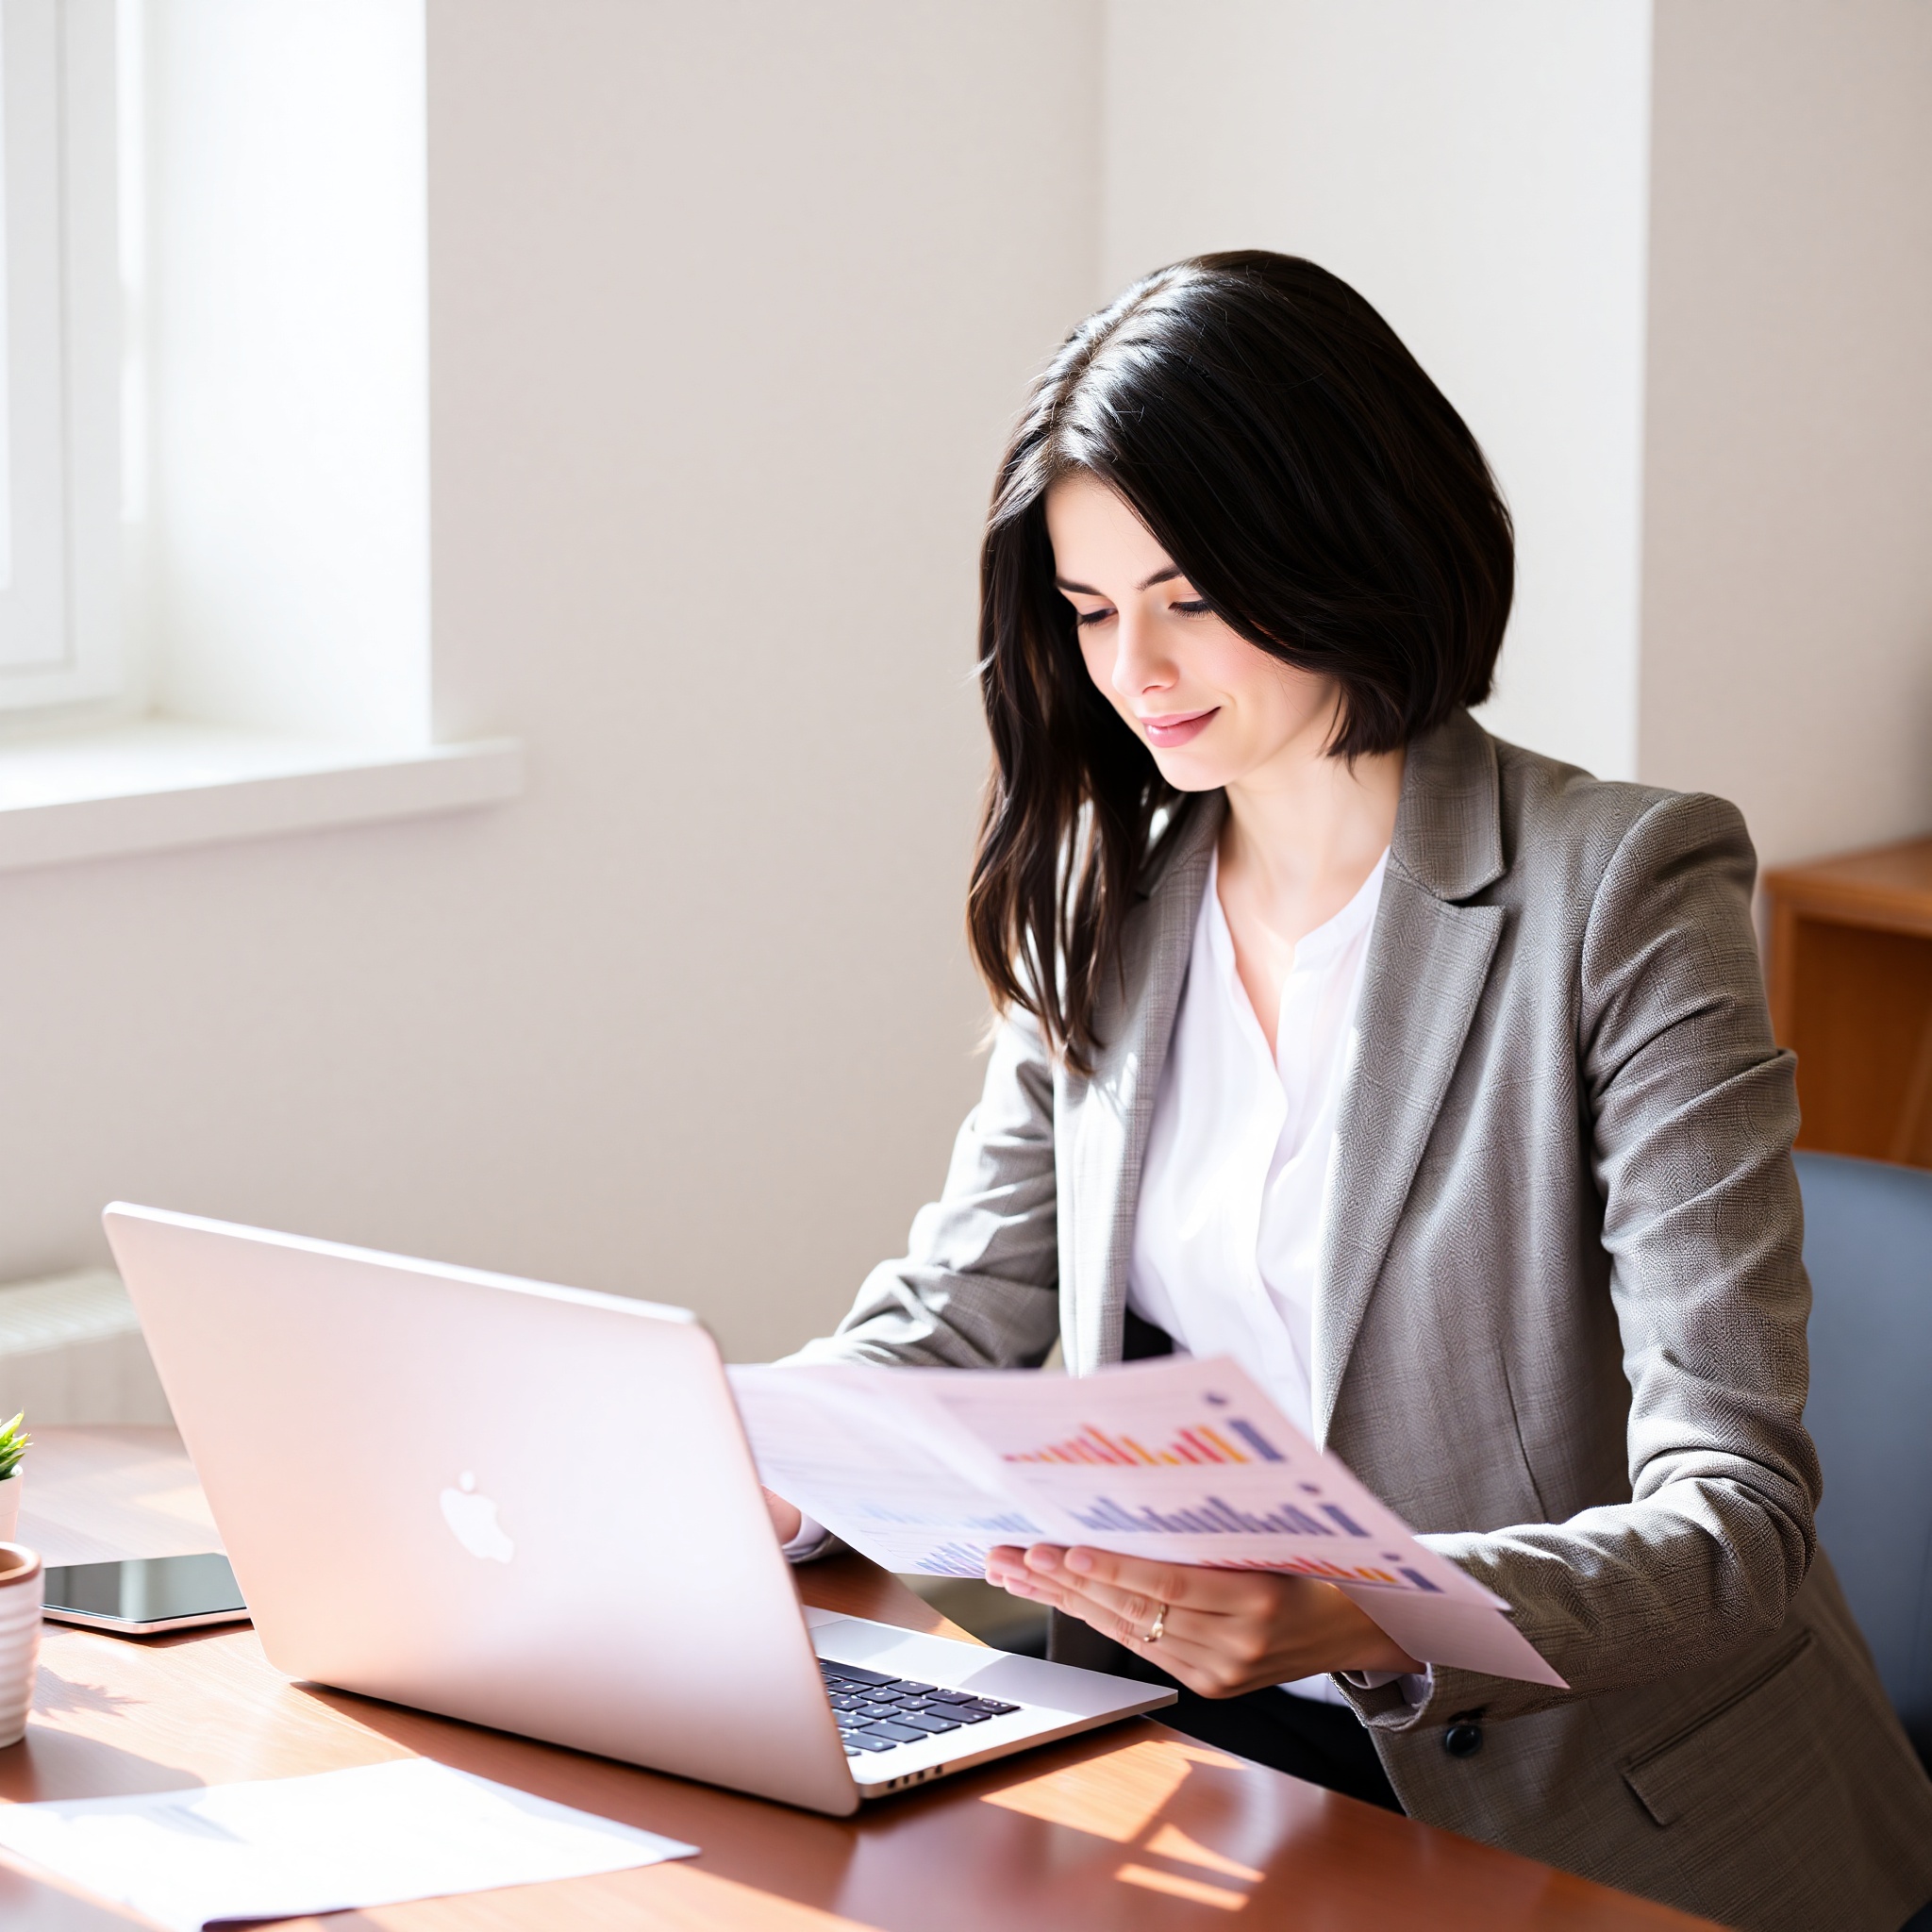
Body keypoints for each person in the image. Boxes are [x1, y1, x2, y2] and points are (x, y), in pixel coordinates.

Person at [762, 253, 1932, 1931]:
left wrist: (1362, 1608)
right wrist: (771, 1450)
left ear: (1342, 548)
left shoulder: (1623, 890)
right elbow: (960, 1309)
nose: (1136, 670)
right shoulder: (1122, 903)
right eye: (1090, 614)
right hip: (1197, 1754)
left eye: (1191, 597)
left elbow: (1733, 1526)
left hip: (1590, 1802)